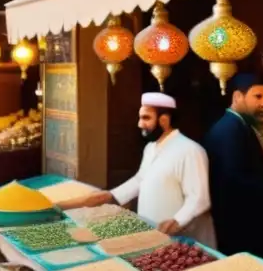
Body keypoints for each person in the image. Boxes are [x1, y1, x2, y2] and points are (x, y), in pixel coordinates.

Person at [66, 93, 216, 246]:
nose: (139, 124)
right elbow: (141, 179)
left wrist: (177, 221)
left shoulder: (190, 150)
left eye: (146, 118)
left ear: (164, 120)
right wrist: (112, 195)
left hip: (185, 241)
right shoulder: (150, 148)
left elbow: (199, 199)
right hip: (154, 237)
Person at [204, 74, 263, 262]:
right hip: (242, 225)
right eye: (258, 96)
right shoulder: (228, 129)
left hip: (249, 221)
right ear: (237, 97)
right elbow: (237, 179)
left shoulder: (240, 124)